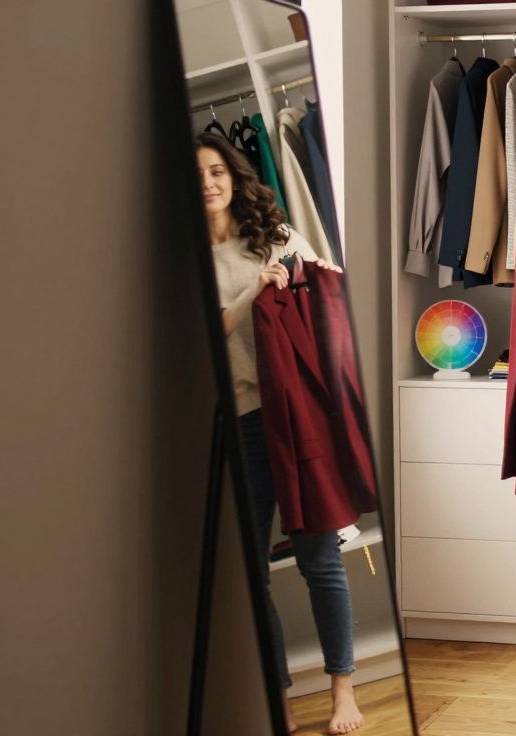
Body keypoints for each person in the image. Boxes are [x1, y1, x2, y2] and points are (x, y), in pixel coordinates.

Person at [196, 132, 362, 735]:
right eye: (196, 176)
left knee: (321, 558)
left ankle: (344, 688)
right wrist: (253, 291)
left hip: (296, 415)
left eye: (217, 170)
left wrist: (322, 276)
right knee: (250, 574)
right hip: (235, 425)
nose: (209, 183)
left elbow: (324, 300)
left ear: (235, 176)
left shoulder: (275, 235)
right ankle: (280, 697)